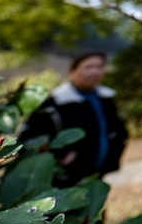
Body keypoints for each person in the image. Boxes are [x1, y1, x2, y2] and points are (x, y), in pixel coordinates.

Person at [20, 51, 128, 188]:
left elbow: (115, 126)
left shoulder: (106, 98)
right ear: (72, 72)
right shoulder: (55, 103)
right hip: (66, 177)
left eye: (99, 67)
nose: (94, 72)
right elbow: (30, 138)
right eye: (88, 67)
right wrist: (60, 155)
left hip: (99, 170)